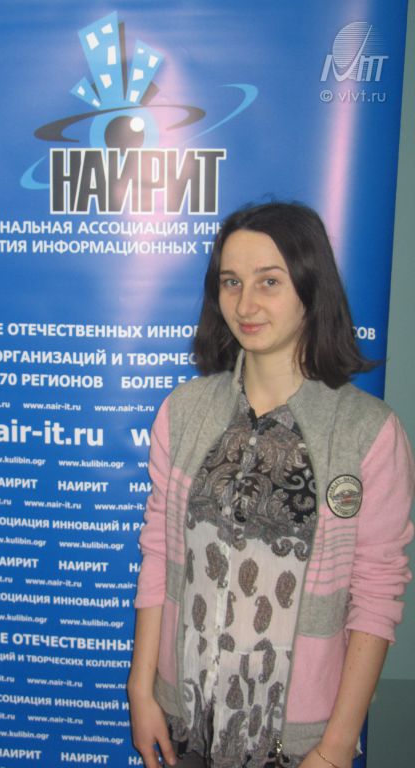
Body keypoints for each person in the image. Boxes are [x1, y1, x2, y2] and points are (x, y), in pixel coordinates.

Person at [127, 202, 414, 768]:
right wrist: (142, 689)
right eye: (231, 282)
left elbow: (377, 594)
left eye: (269, 282)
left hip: (301, 746)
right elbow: (159, 553)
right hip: (187, 726)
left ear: (311, 288)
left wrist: (336, 746)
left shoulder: (367, 433)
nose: (245, 304)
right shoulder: (183, 412)